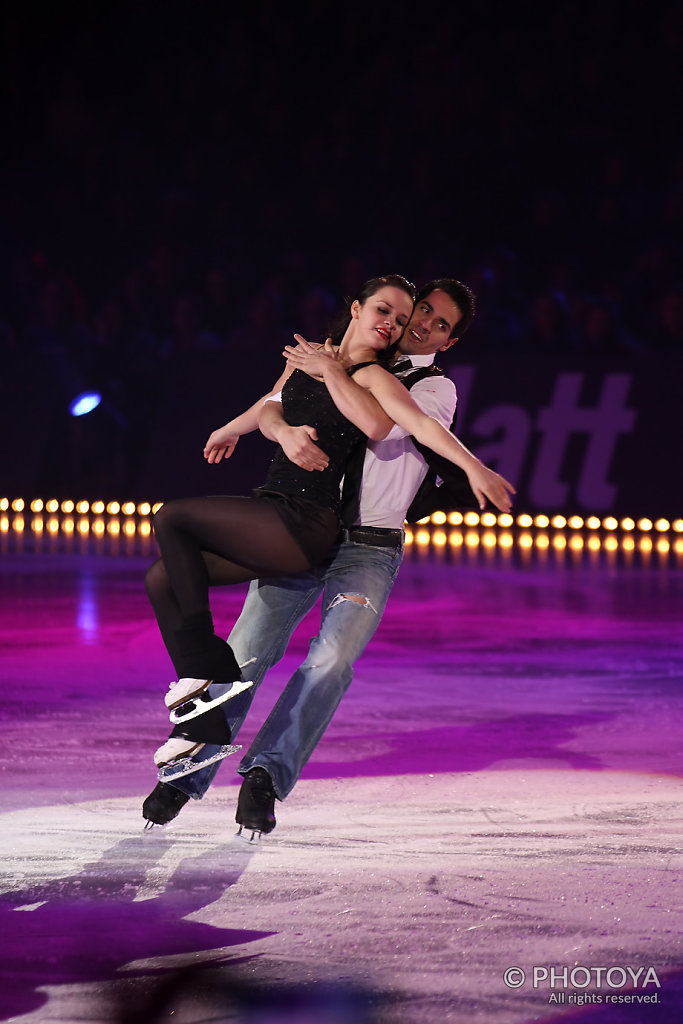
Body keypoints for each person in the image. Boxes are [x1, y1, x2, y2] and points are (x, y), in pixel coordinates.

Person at [143, 278, 515, 832]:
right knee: (245, 650)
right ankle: (186, 770)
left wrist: (473, 469)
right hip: (303, 531)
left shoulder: (431, 387)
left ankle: (266, 775)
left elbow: (410, 424)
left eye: (440, 324)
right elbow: (278, 400)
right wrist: (278, 427)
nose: (423, 324)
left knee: (330, 661)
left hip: (367, 547)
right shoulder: (343, 358)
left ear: (450, 342)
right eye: (422, 311)